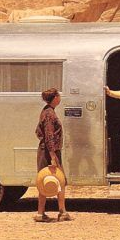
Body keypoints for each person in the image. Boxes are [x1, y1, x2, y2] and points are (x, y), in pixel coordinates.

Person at [35, 88, 73, 222]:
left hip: (46, 150)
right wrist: (52, 155)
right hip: (49, 152)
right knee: (59, 180)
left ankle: (41, 213)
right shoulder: (49, 114)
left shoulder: (47, 111)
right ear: (55, 98)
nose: (60, 98)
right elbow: (49, 135)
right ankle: (61, 212)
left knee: (44, 180)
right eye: (59, 96)